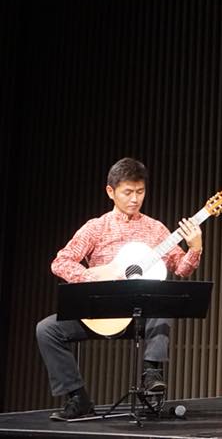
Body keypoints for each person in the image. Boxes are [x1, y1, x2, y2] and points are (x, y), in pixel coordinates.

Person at [36, 157, 204, 421]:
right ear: (110, 191)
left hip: (140, 317)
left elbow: (182, 269)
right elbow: (61, 262)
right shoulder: (96, 227)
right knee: (47, 329)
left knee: (161, 301)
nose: (135, 199)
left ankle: (151, 373)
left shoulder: (156, 229)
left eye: (140, 191)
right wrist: (91, 275)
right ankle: (78, 398)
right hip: (100, 313)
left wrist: (195, 247)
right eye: (128, 192)